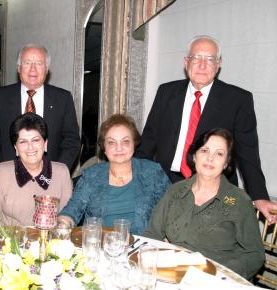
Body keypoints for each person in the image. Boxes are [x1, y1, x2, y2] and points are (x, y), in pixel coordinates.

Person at [135, 34, 277, 222]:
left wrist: (259, 196)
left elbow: (247, 153)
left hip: (213, 191)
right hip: (164, 185)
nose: (202, 65)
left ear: (218, 65)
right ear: (186, 62)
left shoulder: (238, 100)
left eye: (209, 59)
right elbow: (149, 141)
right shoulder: (166, 92)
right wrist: (132, 176)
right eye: (196, 57)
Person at [144, 128, 265, 279]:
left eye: (219, 153)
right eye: (204, 150)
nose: (210, 158)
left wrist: (219, 273)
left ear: (226, 162)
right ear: (194, 156)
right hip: (173, 275)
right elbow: (152, 234)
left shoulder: (239, 201)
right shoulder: (175, 191)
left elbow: (255, 254)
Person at [0, 44, 80, 184]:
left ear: (46, 69)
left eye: (39, 63)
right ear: (19, 68)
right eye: (27, 63)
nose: (33, 69)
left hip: (49, 178)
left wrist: (59, 171)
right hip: (8, 177)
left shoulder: (63, 98)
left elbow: (72, 140)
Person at [58, 114, 171, 235]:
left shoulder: (152, 172)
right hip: (100, 245)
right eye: (111, 142)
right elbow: (72, 211)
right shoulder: (92, 176)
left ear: (134, 144)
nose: (119, 148)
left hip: (144, 247)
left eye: (125, 141)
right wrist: (62, 225)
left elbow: (173, 209)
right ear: (104, 148)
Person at [0, 113, 72, 226]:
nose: (30, 147)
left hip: (50, 241)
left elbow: (66, 217)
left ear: (45, 144)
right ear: (16, 148)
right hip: (12, 241)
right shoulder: (2, 172)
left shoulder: (62, 173)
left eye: (35, 140)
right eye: (23, 142)